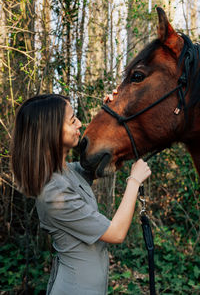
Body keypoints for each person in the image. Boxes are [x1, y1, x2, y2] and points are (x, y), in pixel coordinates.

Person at [10, 93, 151, 295]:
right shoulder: (53, 192)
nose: (80, 124)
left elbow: (103, 159)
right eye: (72, 119)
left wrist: (111, 112)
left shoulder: (68, 172)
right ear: (51, 131)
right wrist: (134, 181)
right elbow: (116, 233)